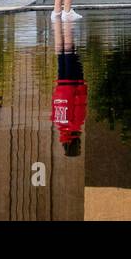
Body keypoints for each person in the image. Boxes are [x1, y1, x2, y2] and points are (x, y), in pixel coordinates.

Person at [51, 13, 87, 157]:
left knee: (70, 53)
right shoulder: (59, 124)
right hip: (60, 86)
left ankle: (67, 26)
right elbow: (55, 106)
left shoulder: (76, 124)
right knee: (61, 54)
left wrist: (82, 85)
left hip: (73, 85)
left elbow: (79, 103)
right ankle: (60, 27)